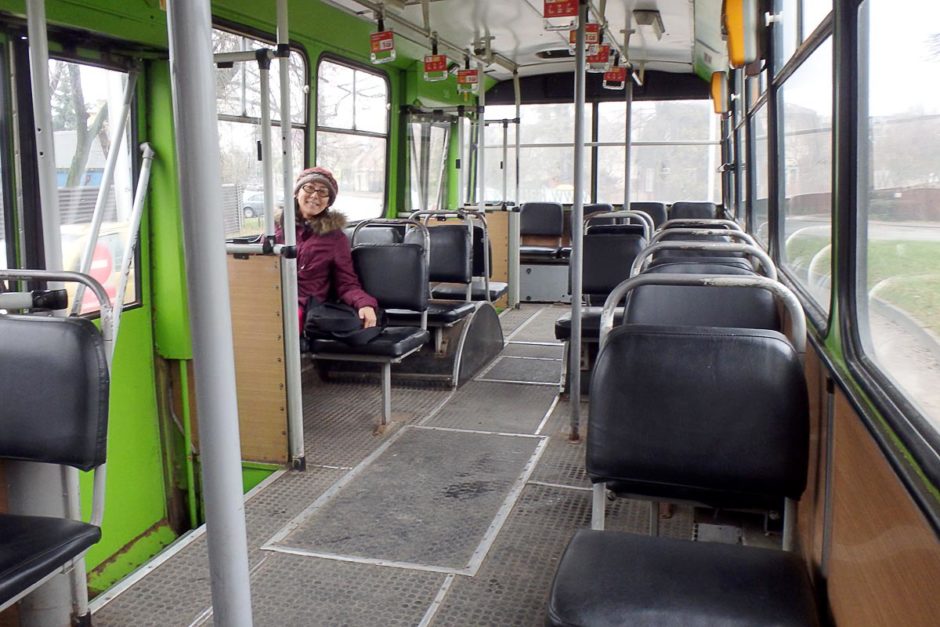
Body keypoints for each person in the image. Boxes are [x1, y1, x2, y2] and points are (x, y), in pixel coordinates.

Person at [276, 166, 378, 329]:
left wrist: (364, 304)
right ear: (297, 193)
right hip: (271, 297)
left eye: (323, 191)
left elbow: (346, 283)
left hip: (304, 304)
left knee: (284, 322)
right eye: (309, 187)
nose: (315, 195)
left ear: (328, 201)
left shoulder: (335, 239)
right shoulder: (276, 229)